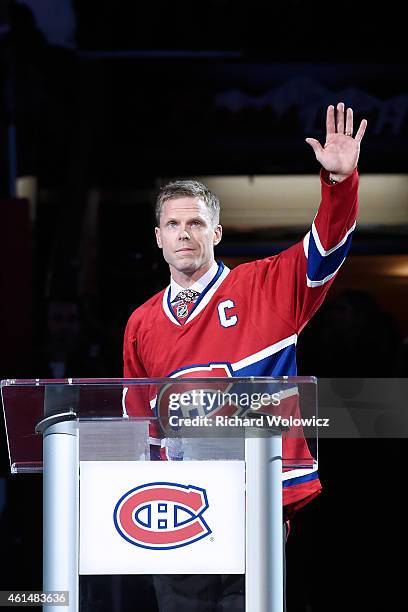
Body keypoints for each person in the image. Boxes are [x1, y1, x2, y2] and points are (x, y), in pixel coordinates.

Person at [123, 102, 367, 611]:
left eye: (195, 223)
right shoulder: (142, 322)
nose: (183, 233)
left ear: (216, 233)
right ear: (158, 239)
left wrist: (339, 184)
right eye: (172, 224)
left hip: (254, 502)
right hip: (174, 510)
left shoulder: (265, 287)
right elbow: (137, 427)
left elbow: (325, 252)